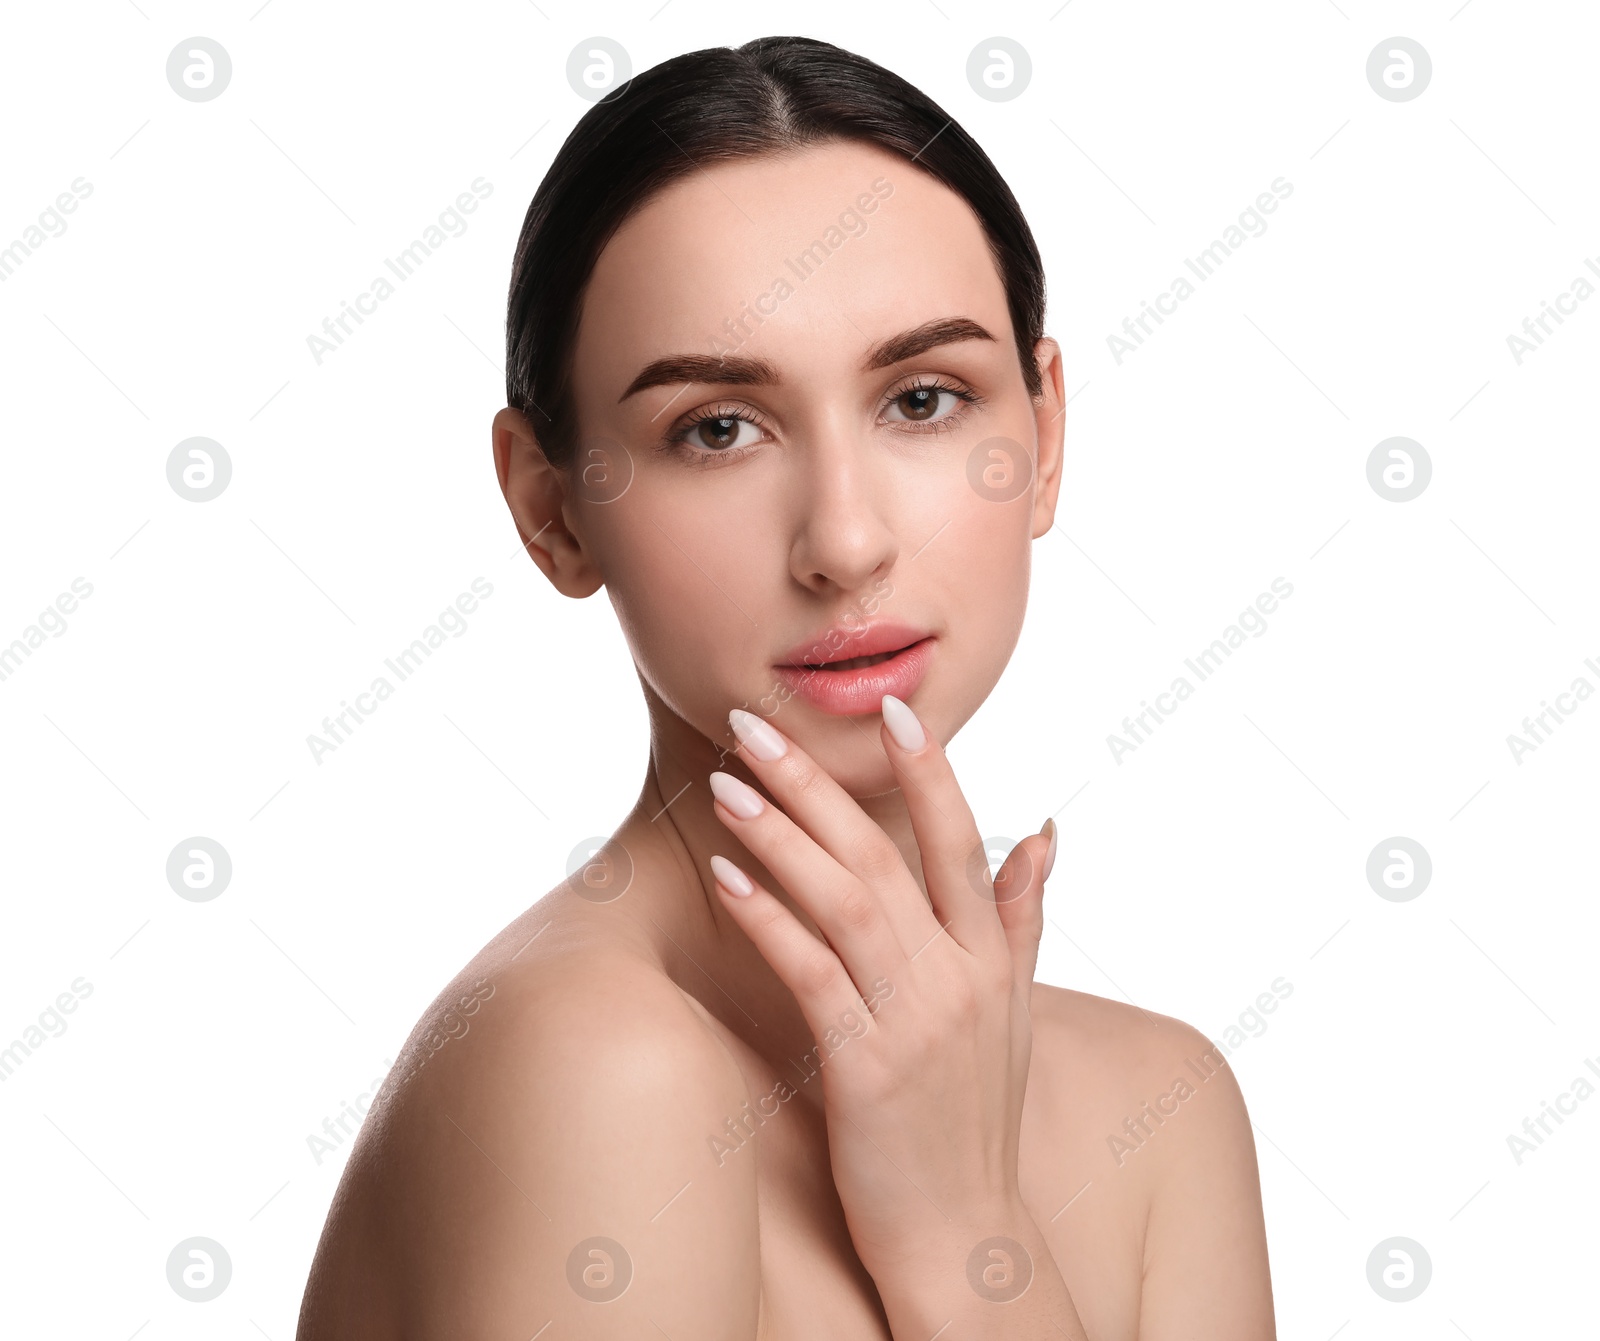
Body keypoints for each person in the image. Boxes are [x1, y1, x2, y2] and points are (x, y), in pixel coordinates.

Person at [297, 34, 1276, 1340]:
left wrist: (965, 1219)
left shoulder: (1166, 1103)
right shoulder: (595, 1076)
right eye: (717, 428)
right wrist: (960, 1240)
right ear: (554, 509)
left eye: (924, 399)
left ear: (1043, 436)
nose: (846, 541)